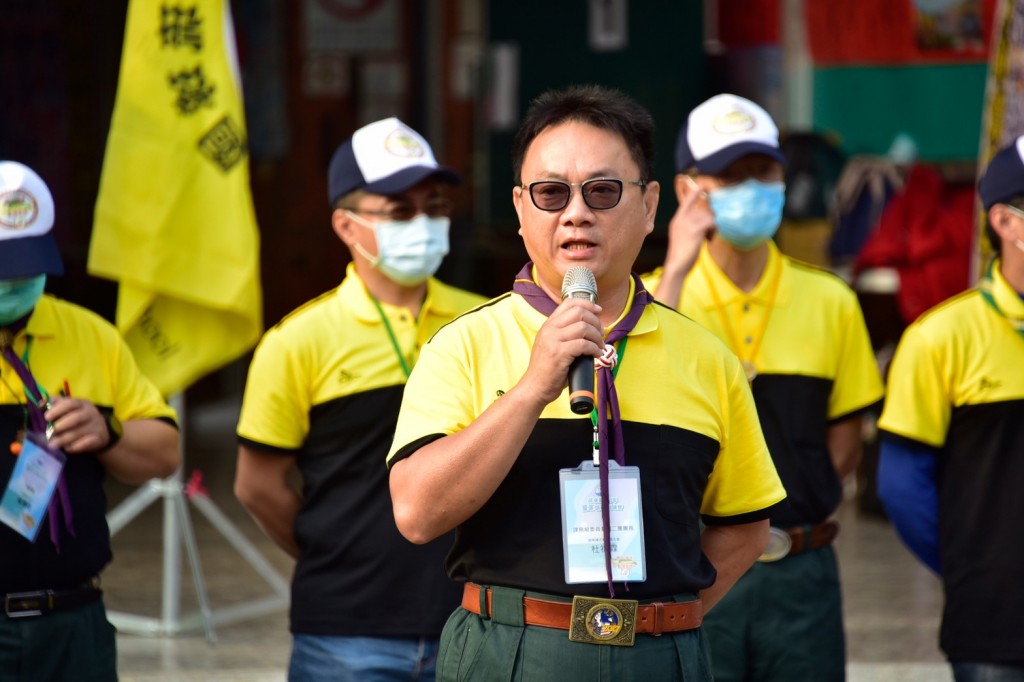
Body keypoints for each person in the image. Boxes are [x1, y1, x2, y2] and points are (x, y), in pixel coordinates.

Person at [386, 84, 786, 681]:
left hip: (662, 656)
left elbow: (747, 526)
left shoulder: (707, 357)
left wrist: (663, 622)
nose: (576, 213)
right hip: (511, 653)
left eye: (602, 191)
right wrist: (531, 389)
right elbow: (417, 513)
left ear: (650, 206)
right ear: (521, 210)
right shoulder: (461, 344)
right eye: (551, 193)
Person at [234, 117, 487, 682]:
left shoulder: (487, 321)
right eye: (400, 211)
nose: (423, 223)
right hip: (344, 635)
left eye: (435, 205)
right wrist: (338, 553)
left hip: (475, 620)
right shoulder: (296, 341)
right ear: (347, 226)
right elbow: (257, 485)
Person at [641, 93, 883, 681]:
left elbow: (845, 434)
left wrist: (799, 504)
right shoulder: (650, 296)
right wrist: (675, 268)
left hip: (801, 568)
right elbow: (636, 394)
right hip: (694, 561)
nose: (750, 187)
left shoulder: (831, 299)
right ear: (686, 190)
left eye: (763, 171)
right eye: (729, 174)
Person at [0, 160, 180, 681]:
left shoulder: (92, 337)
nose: (12, 283)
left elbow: (165, 451)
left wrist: (109, 432)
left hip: (72, 624)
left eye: (23, 267)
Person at [877, 136, 1024, 682]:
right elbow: (902, 488)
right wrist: (975, 567)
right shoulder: (940, 337)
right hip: (994, 625)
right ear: (1006, 223)